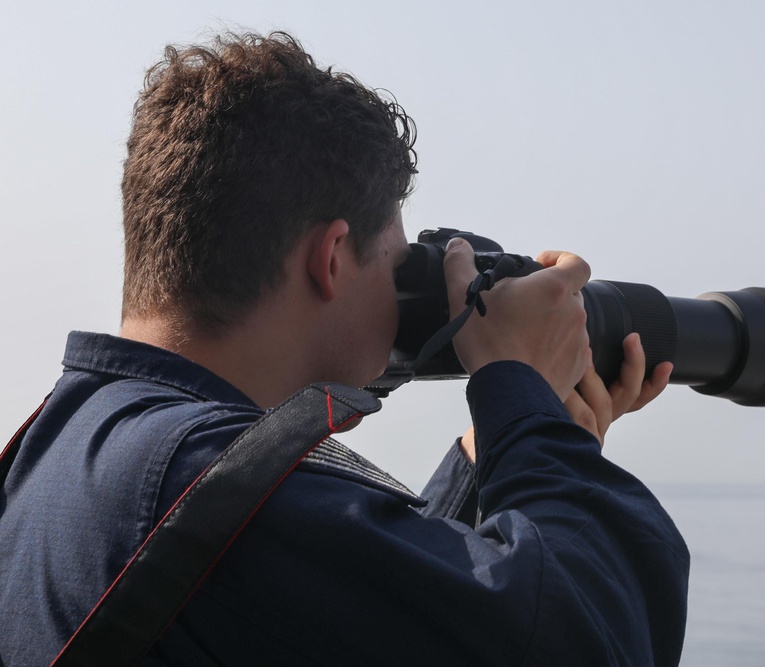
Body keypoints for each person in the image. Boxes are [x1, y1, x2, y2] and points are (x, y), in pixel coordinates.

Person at [0, 31, 689, 665]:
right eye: (395, 266)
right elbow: (592, 639)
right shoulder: (208, 491)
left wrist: (497, 446)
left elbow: (372, 609)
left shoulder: (59, 456)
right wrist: (526, 407)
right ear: (331, 258)